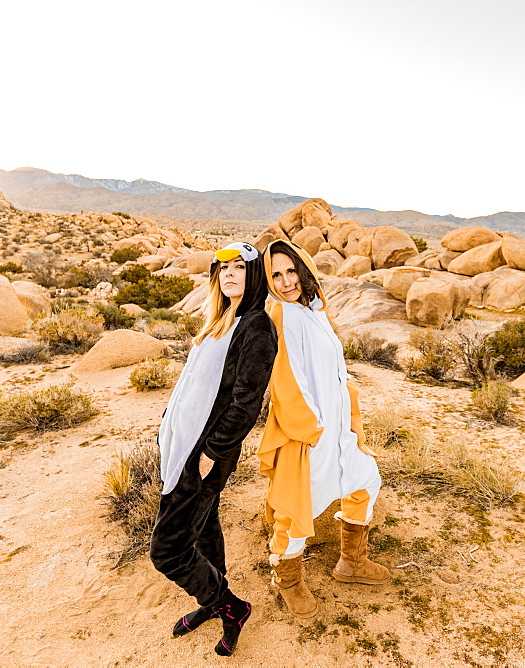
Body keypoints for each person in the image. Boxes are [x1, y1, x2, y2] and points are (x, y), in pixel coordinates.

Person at [150, 241, 276, 656]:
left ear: (254, 275)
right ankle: (212, 600)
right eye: (224, 269)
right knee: (204, 527)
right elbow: (192, 382)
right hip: (183, 443)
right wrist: (168, 423)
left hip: (204, 454)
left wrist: (212, 451)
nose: (230, 275)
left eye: (240, 267)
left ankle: (232, 607)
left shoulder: (256, 326)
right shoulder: (222, 319)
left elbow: (246, 402)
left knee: (168, 550)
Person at [257, 239, 389, 619]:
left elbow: (333, 371)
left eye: (290, 271)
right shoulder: (282, 314)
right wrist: (311, 432)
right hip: (309, 434)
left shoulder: (313, 311)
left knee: (366, 480)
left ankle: (352, 561)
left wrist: (349, 420)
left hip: (339, 426)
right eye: (275, 275)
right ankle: (288, 581)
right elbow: (288, 378)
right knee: (297, 511)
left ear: (304, 269)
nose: (285, 282)